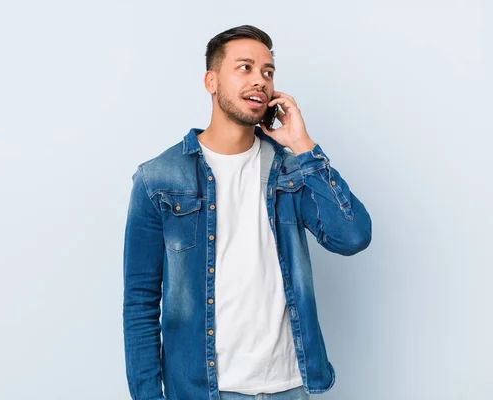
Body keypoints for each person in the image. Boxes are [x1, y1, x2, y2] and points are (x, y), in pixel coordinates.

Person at [122, 24, 372, 400]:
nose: (260, 80)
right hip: (205, 390)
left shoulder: (290, 170)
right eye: (245, 68)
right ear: (211, 81)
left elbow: (352, 237)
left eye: (268, 72)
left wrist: (304, 148)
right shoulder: (157, 179)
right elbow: (140, 303)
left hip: (290, 386)